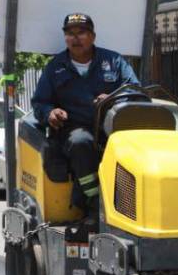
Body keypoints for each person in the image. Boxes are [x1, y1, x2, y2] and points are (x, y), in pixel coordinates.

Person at [30, 13, 140, 219]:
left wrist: (113, 98)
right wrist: (50, 113)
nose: (75, 38)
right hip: (72, 131)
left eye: (81, 32)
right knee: (82, 142)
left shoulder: (114, 61)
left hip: (112, 129)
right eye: (70, 34)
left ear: (93, 36)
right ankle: (92, 202)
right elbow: (39, 103)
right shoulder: (55, 67)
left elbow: (136, 91)